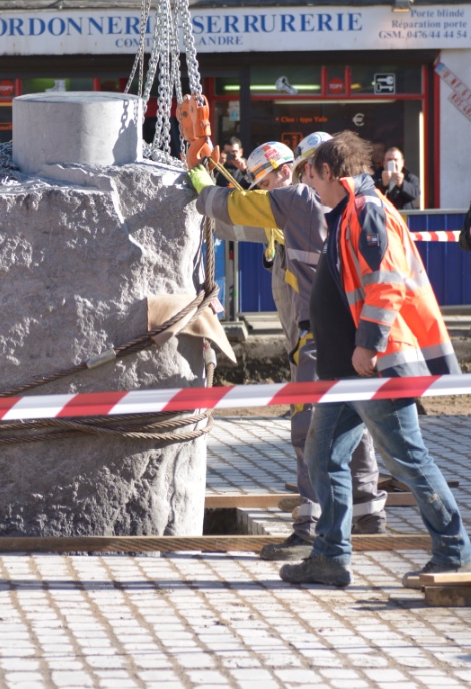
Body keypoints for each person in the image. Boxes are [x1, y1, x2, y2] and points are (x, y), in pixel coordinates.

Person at [280, 131, 471, 588]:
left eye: (311, 172)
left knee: (406, 458)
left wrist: (368, 343)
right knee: (322, 457)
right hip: (347, 371)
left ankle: (452, 552)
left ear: (330, 172)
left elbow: (387, 281)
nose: (307, 181)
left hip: (373, 366)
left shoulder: (366, 211)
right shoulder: (349, 210)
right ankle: (329, 556)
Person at [189, 135, 386, 562]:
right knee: (356, 419)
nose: (263, 191)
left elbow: (232, 211)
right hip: (350, 335)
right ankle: (368, 513)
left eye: (266, 182)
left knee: (308, 430)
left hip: (318, 339)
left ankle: (310, 524)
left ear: (290, 170)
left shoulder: (295, 200)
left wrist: (198, 177)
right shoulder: (341, 205)